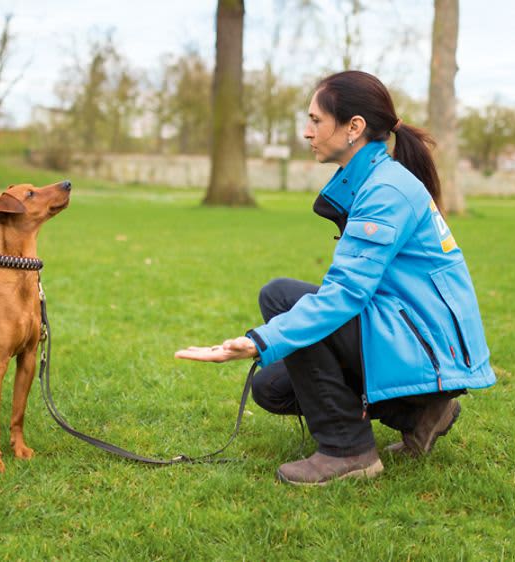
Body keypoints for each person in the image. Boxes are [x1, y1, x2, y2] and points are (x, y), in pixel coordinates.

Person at [175, 70, 496, 486]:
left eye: (315, 120)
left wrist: (259, 340)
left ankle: (349, 450)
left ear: (354, 128)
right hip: (413, 336)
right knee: (272, 388)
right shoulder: (375, 180)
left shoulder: (386, 190)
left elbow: (345, 295)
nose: (307, 132)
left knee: (281, 297)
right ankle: (421, 413)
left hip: (426, 348)